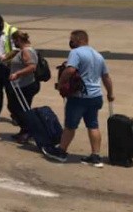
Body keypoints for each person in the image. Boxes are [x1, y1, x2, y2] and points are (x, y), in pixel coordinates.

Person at [43, 30, 114, 167]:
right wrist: (110, 93)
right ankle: (95, 156)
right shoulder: (98, 55)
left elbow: (70, 70)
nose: (71, 42)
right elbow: (106, 77)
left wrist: (61, 84)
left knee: (70, 125)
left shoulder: (76, 52)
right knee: (93, 125)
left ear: (79, 40)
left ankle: (61, 151)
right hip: (95, 96)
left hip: (79, 97)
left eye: (72, 40)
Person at [5, 30, 40, 144]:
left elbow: (32, 67)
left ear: (19, 40)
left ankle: (28, 131)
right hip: (20, 85)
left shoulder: (26, 51)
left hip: (24, 85)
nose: (13, 43)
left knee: (20, 109)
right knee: (16, 108)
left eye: (14, 41)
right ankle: (24, 130)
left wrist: (17, 74)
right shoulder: (22, 51)